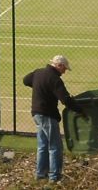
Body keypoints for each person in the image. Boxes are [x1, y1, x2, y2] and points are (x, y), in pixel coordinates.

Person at [22, 54, 85, 183]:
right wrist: (80, 110)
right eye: (64, 69)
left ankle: (40, 174)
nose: (64, 72)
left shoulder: (38, 73)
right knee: (55, 146)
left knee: (43, 145)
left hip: (36, 114)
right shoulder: (55, 79)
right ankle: (54, 177)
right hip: (48, 115)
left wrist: (40, 87)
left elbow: (25, 80)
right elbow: (65, 99)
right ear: (59, 65)